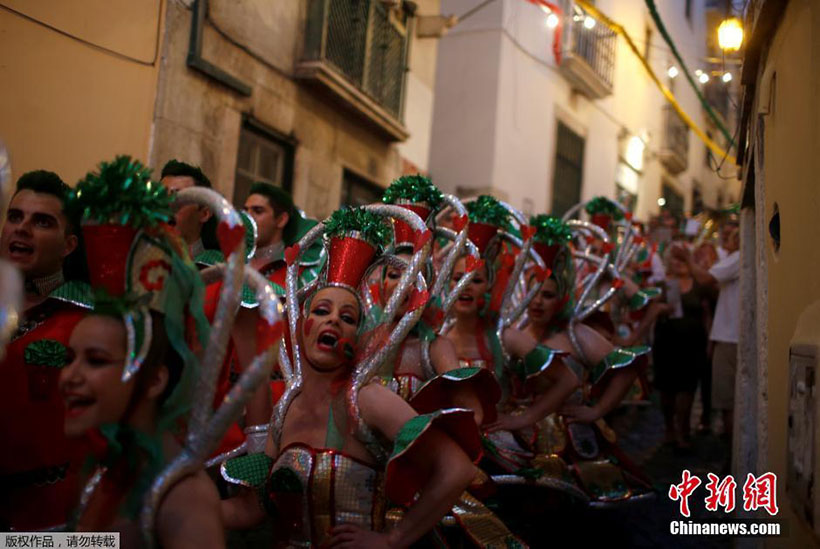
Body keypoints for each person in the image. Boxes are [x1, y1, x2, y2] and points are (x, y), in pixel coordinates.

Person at [221, 207, 479, 547]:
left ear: (357, 338)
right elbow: (252, 510)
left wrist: (393, 540)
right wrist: (176, 502)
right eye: (321, 311)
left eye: (348, 318)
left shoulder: (366, 400)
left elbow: (457, 468)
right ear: (301, 327)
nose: (333, 321)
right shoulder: (286, 408)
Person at [60, 155, 224, 547]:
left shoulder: (182, 496)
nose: (68, 377)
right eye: (70, 358)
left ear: (155, 380)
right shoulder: (104, 470)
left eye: (96, 360)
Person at [0, 170, 90, 530]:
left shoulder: (89, 323)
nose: (22, 228)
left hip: (52, 526)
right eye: (14, 216)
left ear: (69, 245)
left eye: (41, 222)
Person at [673, 220, 740, 441]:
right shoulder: (734, 260)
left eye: (731, 235)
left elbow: (705, 279)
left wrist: (688, 259)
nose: (726, 238)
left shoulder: (737, 259)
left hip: (726, 337)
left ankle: (731, 450)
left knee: (726, 400)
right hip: (721, 336)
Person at [652, 246, 712, 452]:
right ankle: (669, 427)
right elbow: (651, 311)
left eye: (682, 259)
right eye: (675, 259)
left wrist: (710, 342)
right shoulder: (662, 286)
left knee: (687, 389)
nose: (678, 263)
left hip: (692, 345)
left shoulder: (699, 286)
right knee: (667, 390)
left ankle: (682, 429)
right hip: (667, 343)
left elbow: (707, 314)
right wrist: (660, 308)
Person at [159, 159, 214, 259]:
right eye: (162, 196)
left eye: (178, 198)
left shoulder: (213, 265)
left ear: (204, 214)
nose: (166, 204)